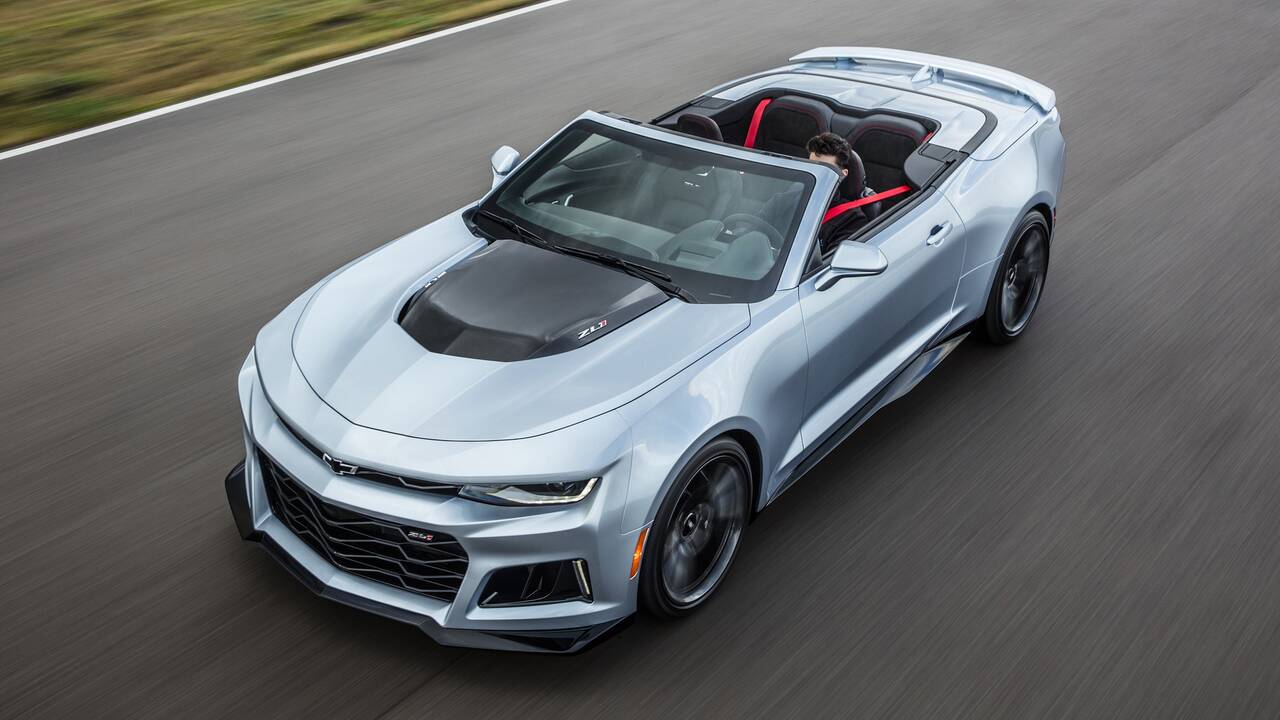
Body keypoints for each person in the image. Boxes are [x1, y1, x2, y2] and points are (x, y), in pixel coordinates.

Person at [806, 132, 876, 252]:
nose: (816, 174)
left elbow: (832, 261)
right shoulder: (789, 198)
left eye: (825, 170)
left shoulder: (851, 220)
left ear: (842, 174)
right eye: (812, 167)